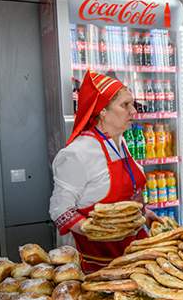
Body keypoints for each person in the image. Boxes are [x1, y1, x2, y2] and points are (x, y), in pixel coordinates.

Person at [49, 70, 157, 272]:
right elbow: (60, 210)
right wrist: (98, 230)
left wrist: (144, 213)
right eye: (125, 105)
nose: (133, 111)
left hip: (133, 258)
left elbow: (124, 195)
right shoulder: (77, 154)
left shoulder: (119, 141)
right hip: (99, 265)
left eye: (132, 104)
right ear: (102, 111)